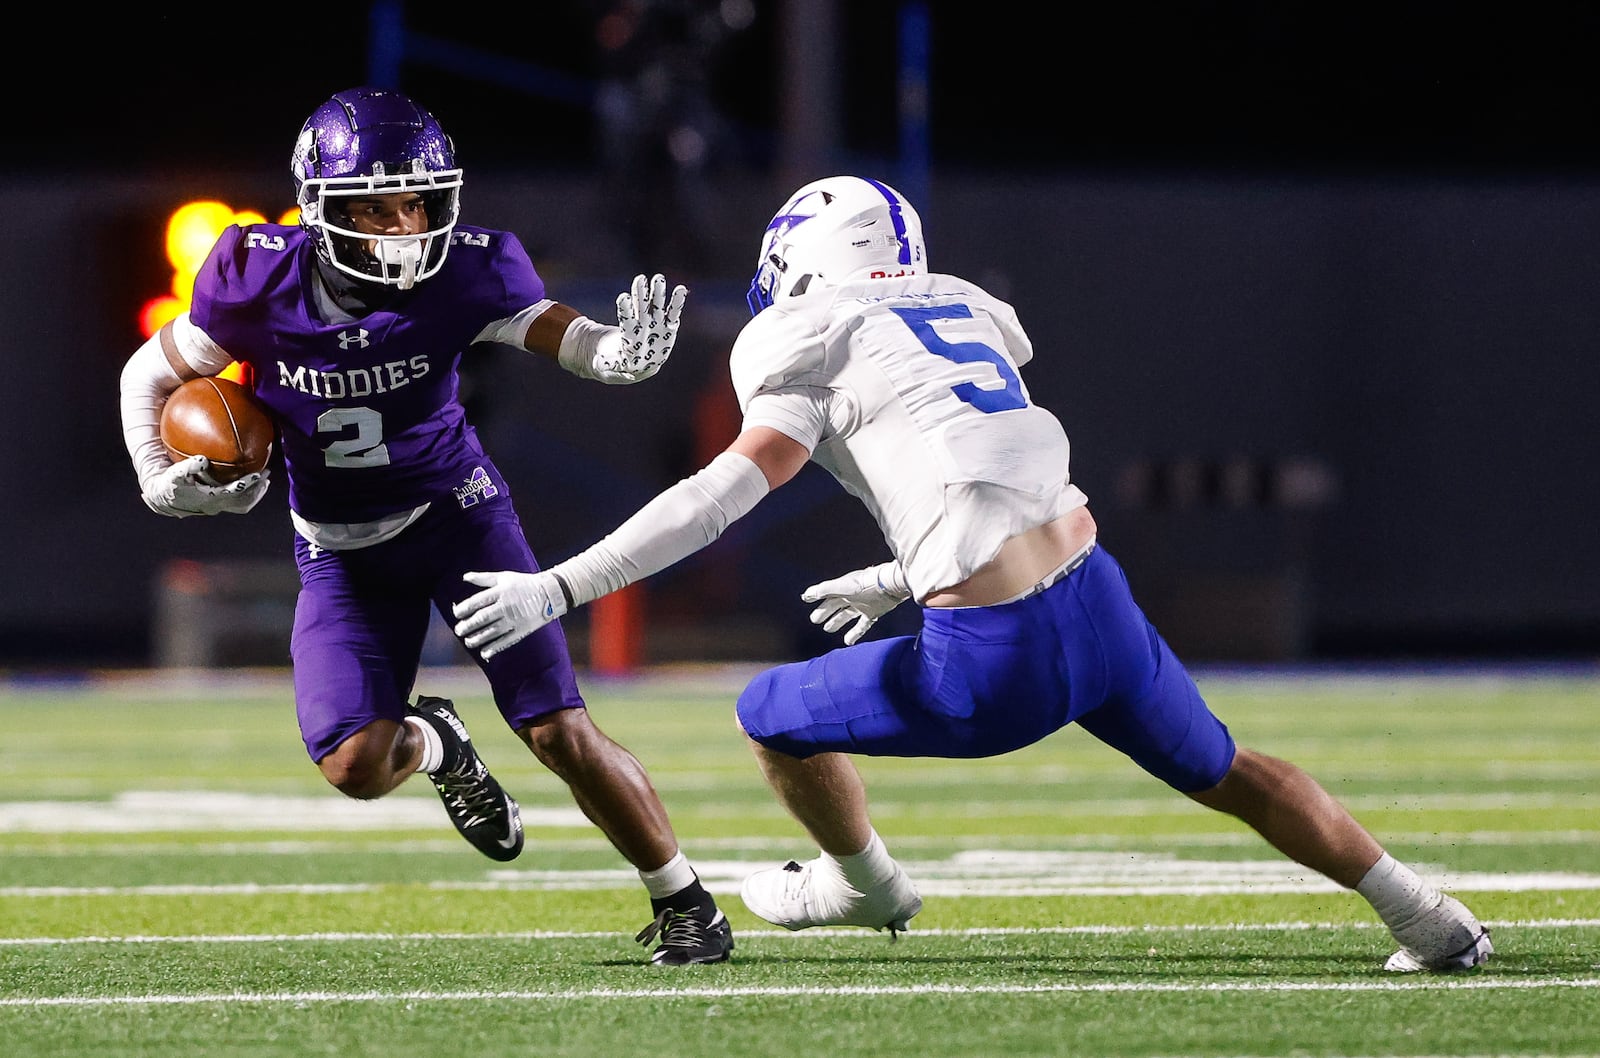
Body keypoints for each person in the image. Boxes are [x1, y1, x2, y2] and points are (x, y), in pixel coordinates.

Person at [448, 174, 1496, 974]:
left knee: (769, 713)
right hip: (1097, 602)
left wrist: (560, 586)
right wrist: (904, 571)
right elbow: (983, 460)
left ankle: (864, 885)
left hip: (994, 659)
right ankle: (1426, 916)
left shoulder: (804, 338)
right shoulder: (960, 307)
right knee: (1229, 770)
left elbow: (718, 496)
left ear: (800, 259)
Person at [117, 86, 733, 966]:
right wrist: (156, 475)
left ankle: (686, 902)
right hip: (337, 549)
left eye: (417, 202)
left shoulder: (467, 269)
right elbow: (148, 374)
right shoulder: (255, 279)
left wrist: (611, 353)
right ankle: (442, 742)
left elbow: (546, 327)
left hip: (458, 516)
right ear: (322, 210)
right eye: (377, 207)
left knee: (556, 727)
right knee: (354, 764)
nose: (405, 226)